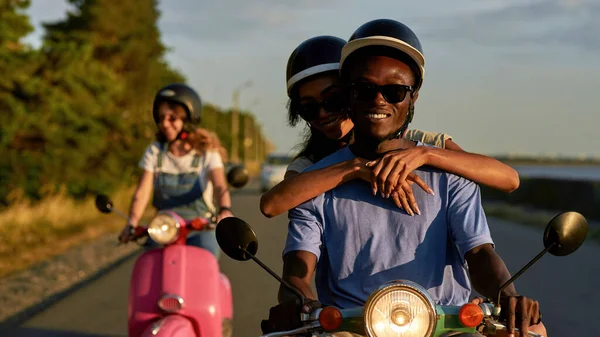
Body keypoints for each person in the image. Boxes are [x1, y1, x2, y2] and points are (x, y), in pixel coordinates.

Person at [277, 19, 546, 337]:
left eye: (394, 91)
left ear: (413, 96)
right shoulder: (315, 181)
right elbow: (298, 264)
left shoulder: (449, 173)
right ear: (348, 95)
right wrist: (298, 301)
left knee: (533, 332)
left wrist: (508, 295)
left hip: (446, 327)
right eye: (364, 90)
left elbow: (479, 252)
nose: (379, 100)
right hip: (353, 329)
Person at [259, 36, 519, 219]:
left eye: (333, 100)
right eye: (309, 108)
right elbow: (273, 204)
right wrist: (355, 168)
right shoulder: (310, 164)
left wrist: (425, 154)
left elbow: (508, 179)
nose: (324, 113)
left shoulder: (419, 141)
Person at [118, 83, 233, 259]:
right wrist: (132, 222)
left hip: (199, 228)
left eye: (172, 118)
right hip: (163, 229)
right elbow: (142, 192)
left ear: (188, 120)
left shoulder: (206, 153)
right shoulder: (155, 152)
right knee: (148, 268)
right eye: (161, 117)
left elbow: (219, 186)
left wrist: (224, 210)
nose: (165, 123)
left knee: (206, 262)